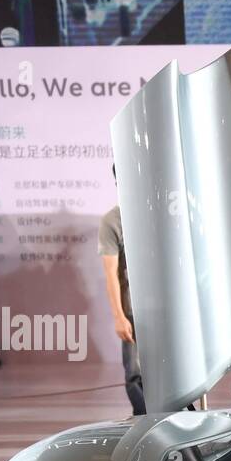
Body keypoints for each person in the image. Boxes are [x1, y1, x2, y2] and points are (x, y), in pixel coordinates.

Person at [98, 168, 145, 416]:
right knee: (135, 373)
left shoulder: (160, 214)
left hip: (166, 309)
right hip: (131, 309)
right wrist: (119, 316)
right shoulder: (112, 221)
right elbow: (111, 274)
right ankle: (144, 420)